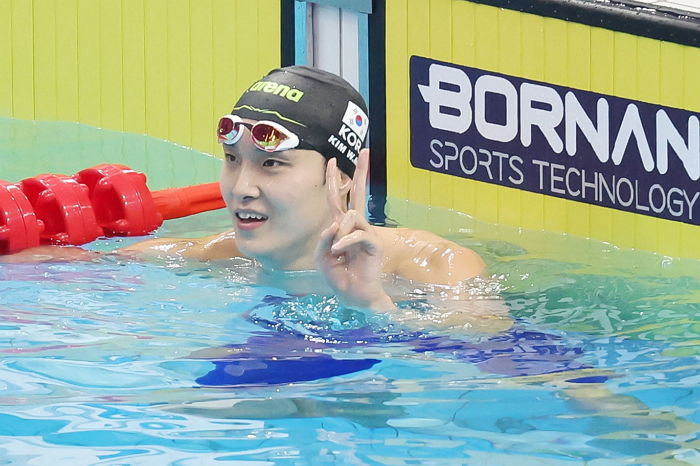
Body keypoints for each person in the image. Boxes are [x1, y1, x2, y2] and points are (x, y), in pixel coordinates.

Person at [121, 66, 488, 316]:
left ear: (343, 176)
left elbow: (497, 366)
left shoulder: (439, 268)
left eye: (272, 164)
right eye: (232, 159)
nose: (241, 188)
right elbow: (91, 267)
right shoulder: (223, 255)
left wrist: (372, 303)